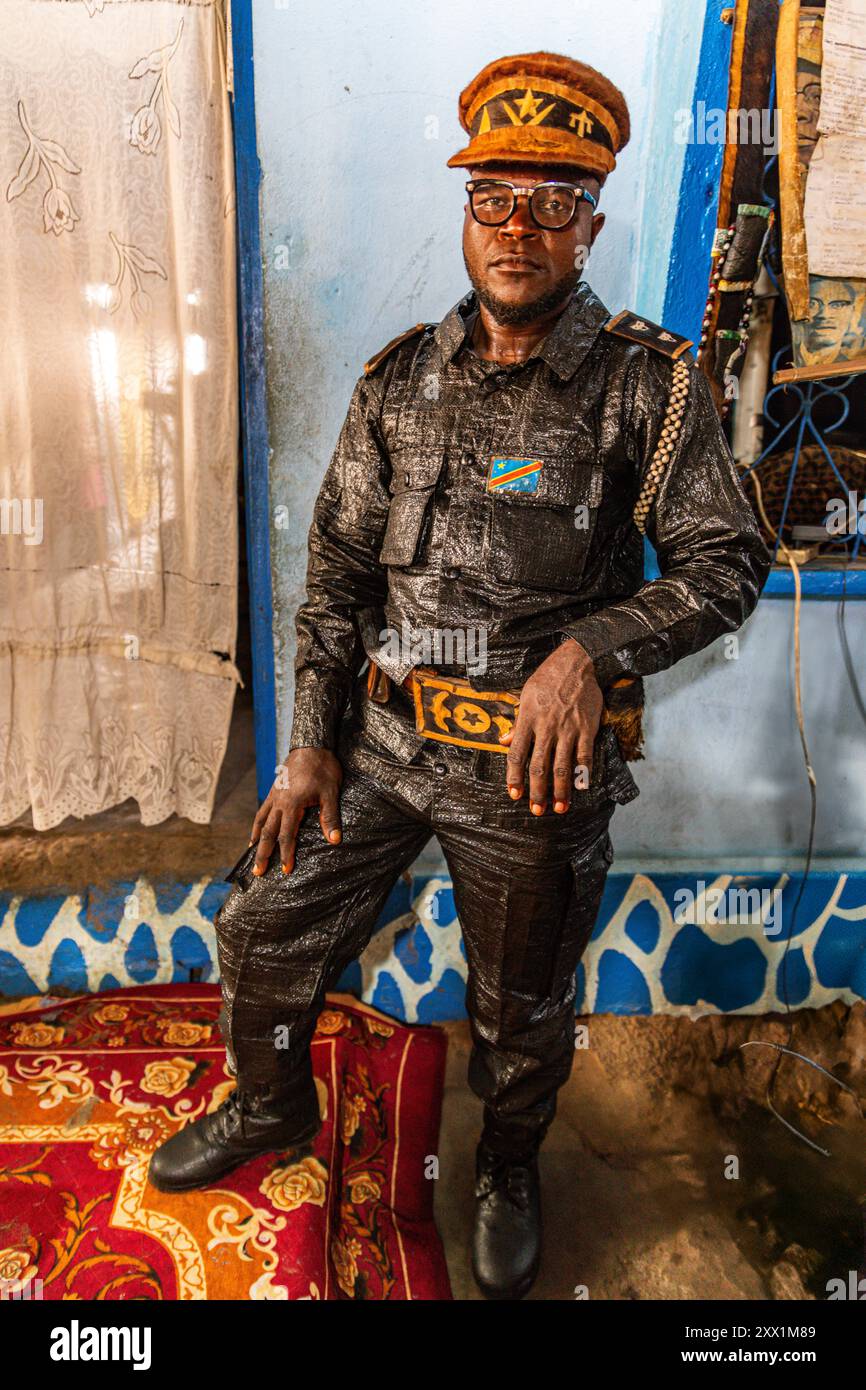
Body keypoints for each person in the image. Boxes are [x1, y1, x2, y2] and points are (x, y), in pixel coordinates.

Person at [149, 51, 771, 1300]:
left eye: (553, 202)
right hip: (379, 749)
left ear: (590, 222)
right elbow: (332, 570)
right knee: (260, 925)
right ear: (466, 209)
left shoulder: (646, 387)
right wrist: (312, 741)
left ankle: (507, 1166)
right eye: (495, 196)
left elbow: (727, 559)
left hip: (530, 772)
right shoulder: (399, 380)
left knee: (523, 1009)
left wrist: (588, 653)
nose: (518, 227)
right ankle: (270, 1104)